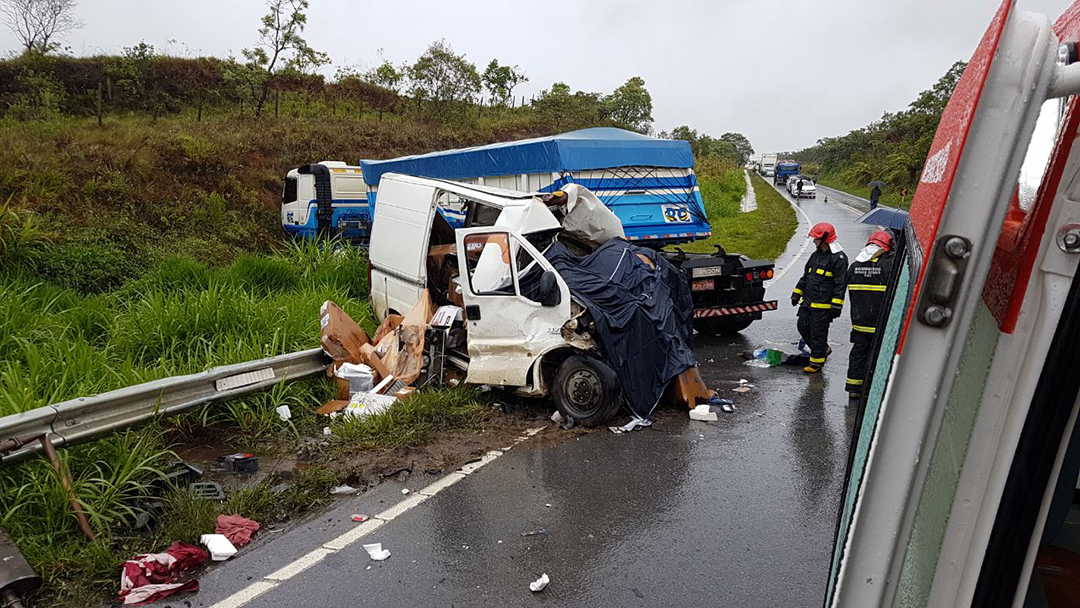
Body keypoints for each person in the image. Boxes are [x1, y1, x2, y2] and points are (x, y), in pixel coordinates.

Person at [844, 230, 895, 399]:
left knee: (858, 354)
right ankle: (875, 389)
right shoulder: (889, 266)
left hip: (859, 322)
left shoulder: (854, 266)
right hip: (880, 323)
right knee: (880, 355)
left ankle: (853, 388)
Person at [792, 222, 848, 373]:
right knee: (802, 326)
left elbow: (840, 284)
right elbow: (806, 276)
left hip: (823, 307)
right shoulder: (816, 255)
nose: (814, 241)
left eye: (816, 238)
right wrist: (796, 293)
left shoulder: (839, 258)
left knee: (818, 333)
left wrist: (836, 306)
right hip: (808, 302)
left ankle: (816, 363)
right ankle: (823, 349)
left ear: (825, 238)